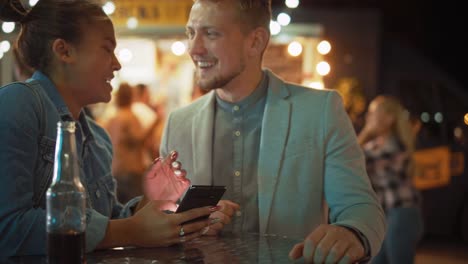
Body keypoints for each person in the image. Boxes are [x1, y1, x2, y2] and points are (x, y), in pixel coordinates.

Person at [158, 0, 386, 263]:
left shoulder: (320, 111)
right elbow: (164, 217)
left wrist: (352, 233)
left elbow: (361, 207)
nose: (193, 48)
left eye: (211, 33)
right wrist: (187, 225)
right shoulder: (178, 123)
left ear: (255, 42)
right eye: (190, 33)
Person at [0, 0, 233, 257]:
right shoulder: (17, 105)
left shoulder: (98, 138)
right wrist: (130, 231)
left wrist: (165, 208)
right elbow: (8, 227)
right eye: (106, 49)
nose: (117, 64)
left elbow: (108, 220)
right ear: (64, 51)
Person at [358, 95, 424, 264]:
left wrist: (366, 132)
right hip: (386, 214)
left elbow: (357, 159)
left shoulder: (395, 146)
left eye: (373, 112)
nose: (368, 116)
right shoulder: (374, 146)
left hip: (402, 212)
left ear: (389, 119)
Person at [104, 82, 156, 203]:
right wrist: (154, 124)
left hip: (115, 169)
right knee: (134, 208)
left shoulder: (113, 118)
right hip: (131, 170)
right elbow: (138, 139)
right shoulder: (130, 117)